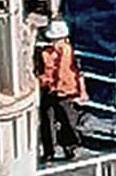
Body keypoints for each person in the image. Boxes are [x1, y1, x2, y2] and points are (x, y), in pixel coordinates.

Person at [37, 18, 89, 162]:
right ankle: (49, 151)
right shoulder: (44, 54)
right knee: (47, 121)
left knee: (68, 122)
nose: (54, 43)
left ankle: (70, 148)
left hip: (67, 93)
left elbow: (79, 74)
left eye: (57, 40)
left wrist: (82, 93)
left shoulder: (73, 55)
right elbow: (40, 71)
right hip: (49, 91)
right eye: (52, 40)